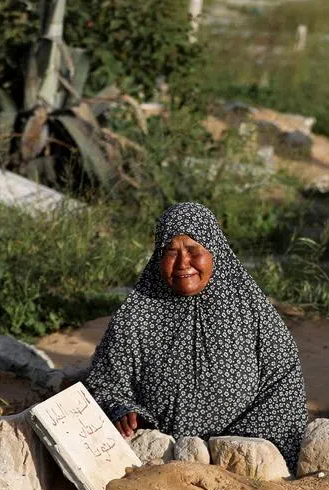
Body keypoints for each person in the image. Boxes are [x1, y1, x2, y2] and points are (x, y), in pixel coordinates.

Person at [85, 201, 309, 472]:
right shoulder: (137, 313)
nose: (183, 263)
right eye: (171, 252)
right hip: (163, 462)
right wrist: (123, 410)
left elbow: (284, 383)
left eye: (193, 250)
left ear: (213, 251)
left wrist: (234, 447)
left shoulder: (251, 309)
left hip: (242, 460)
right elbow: (105, 382)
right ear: (158, 257)